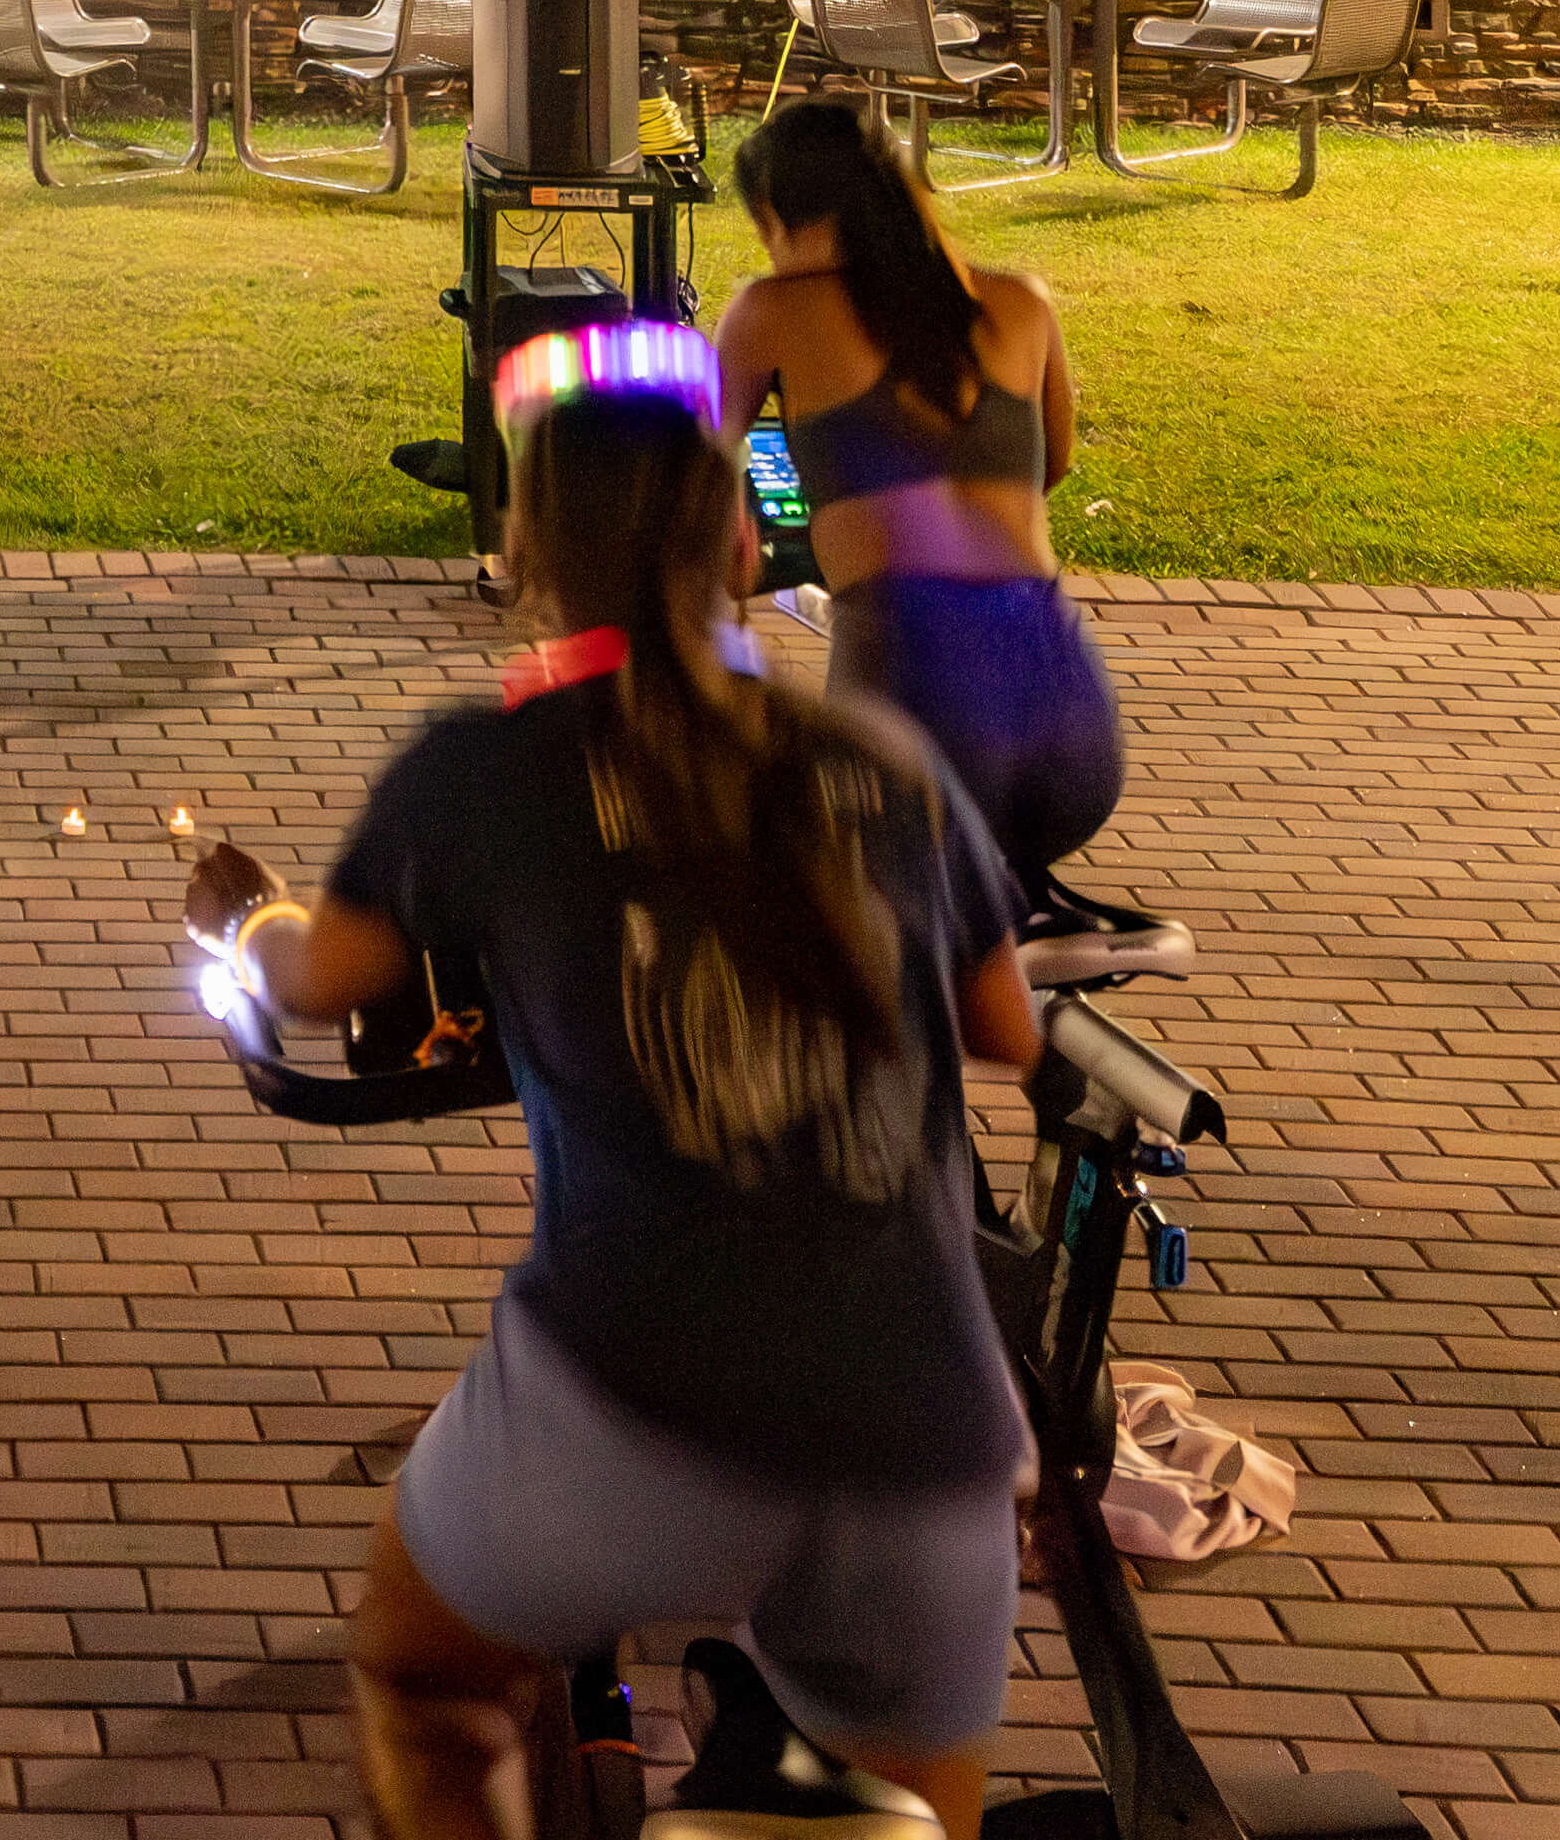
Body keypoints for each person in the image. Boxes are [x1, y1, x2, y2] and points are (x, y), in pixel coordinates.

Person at [186, 358, 1035, 1840]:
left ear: (523, 557)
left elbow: (314, 983)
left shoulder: (485, 774)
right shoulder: (879, 763)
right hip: (924, 1428)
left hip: (631, 1398)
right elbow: (1002, 1026)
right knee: (907, 1809)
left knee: (421, 1675)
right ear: (739, 548)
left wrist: (243, 928)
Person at [714, 96, 1123, 880]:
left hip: (915, 695)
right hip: (1075, 722)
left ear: (777, 212)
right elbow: (1051, 466)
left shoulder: (768, 312)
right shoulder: (1021, 302)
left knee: (791, 873)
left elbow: (700, 500)